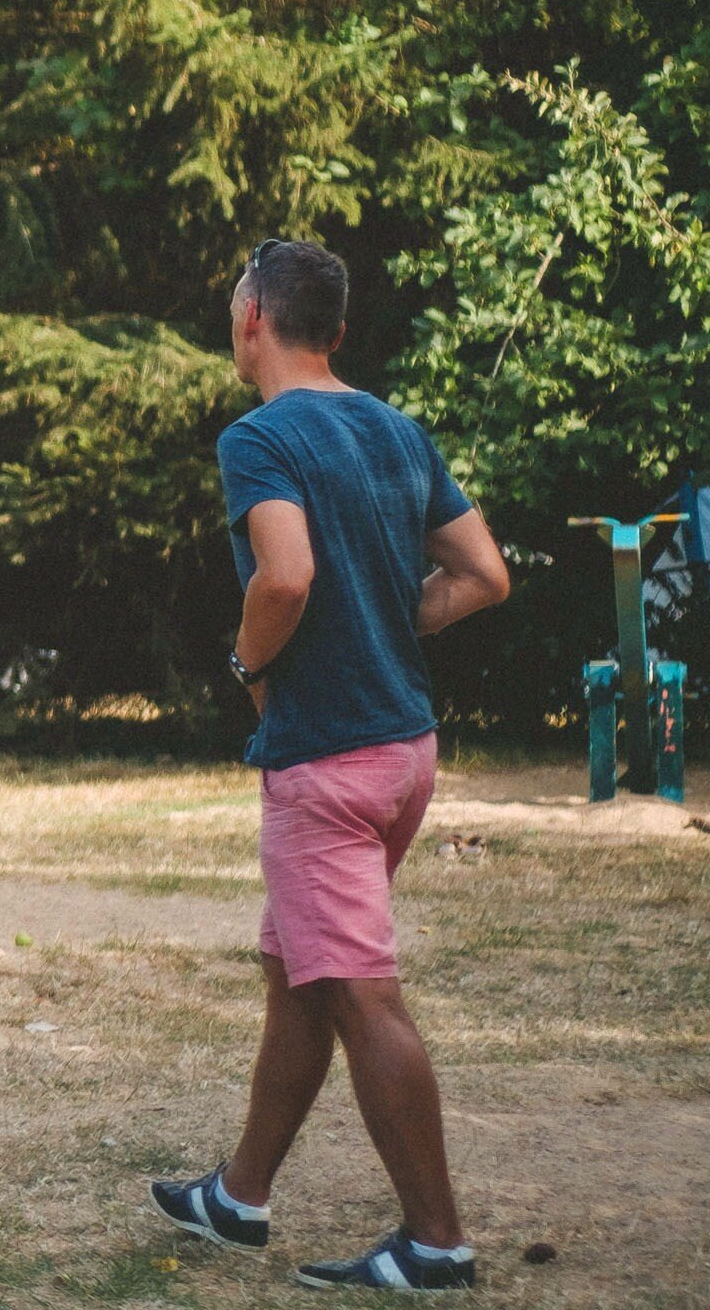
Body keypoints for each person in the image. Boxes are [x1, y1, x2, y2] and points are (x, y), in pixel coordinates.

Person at [149, 238, 511, 1292]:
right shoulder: (397, 430)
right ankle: (239, 1196)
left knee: (358, 994)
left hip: (327, 763)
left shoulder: (259, 437)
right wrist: (390, 619)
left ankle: (436, 1241)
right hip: (405, 753)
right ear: (338, 331)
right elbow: (483, 573)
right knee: (298, 974)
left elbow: (287, 576)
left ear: (252, 318)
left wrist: (246, 662)